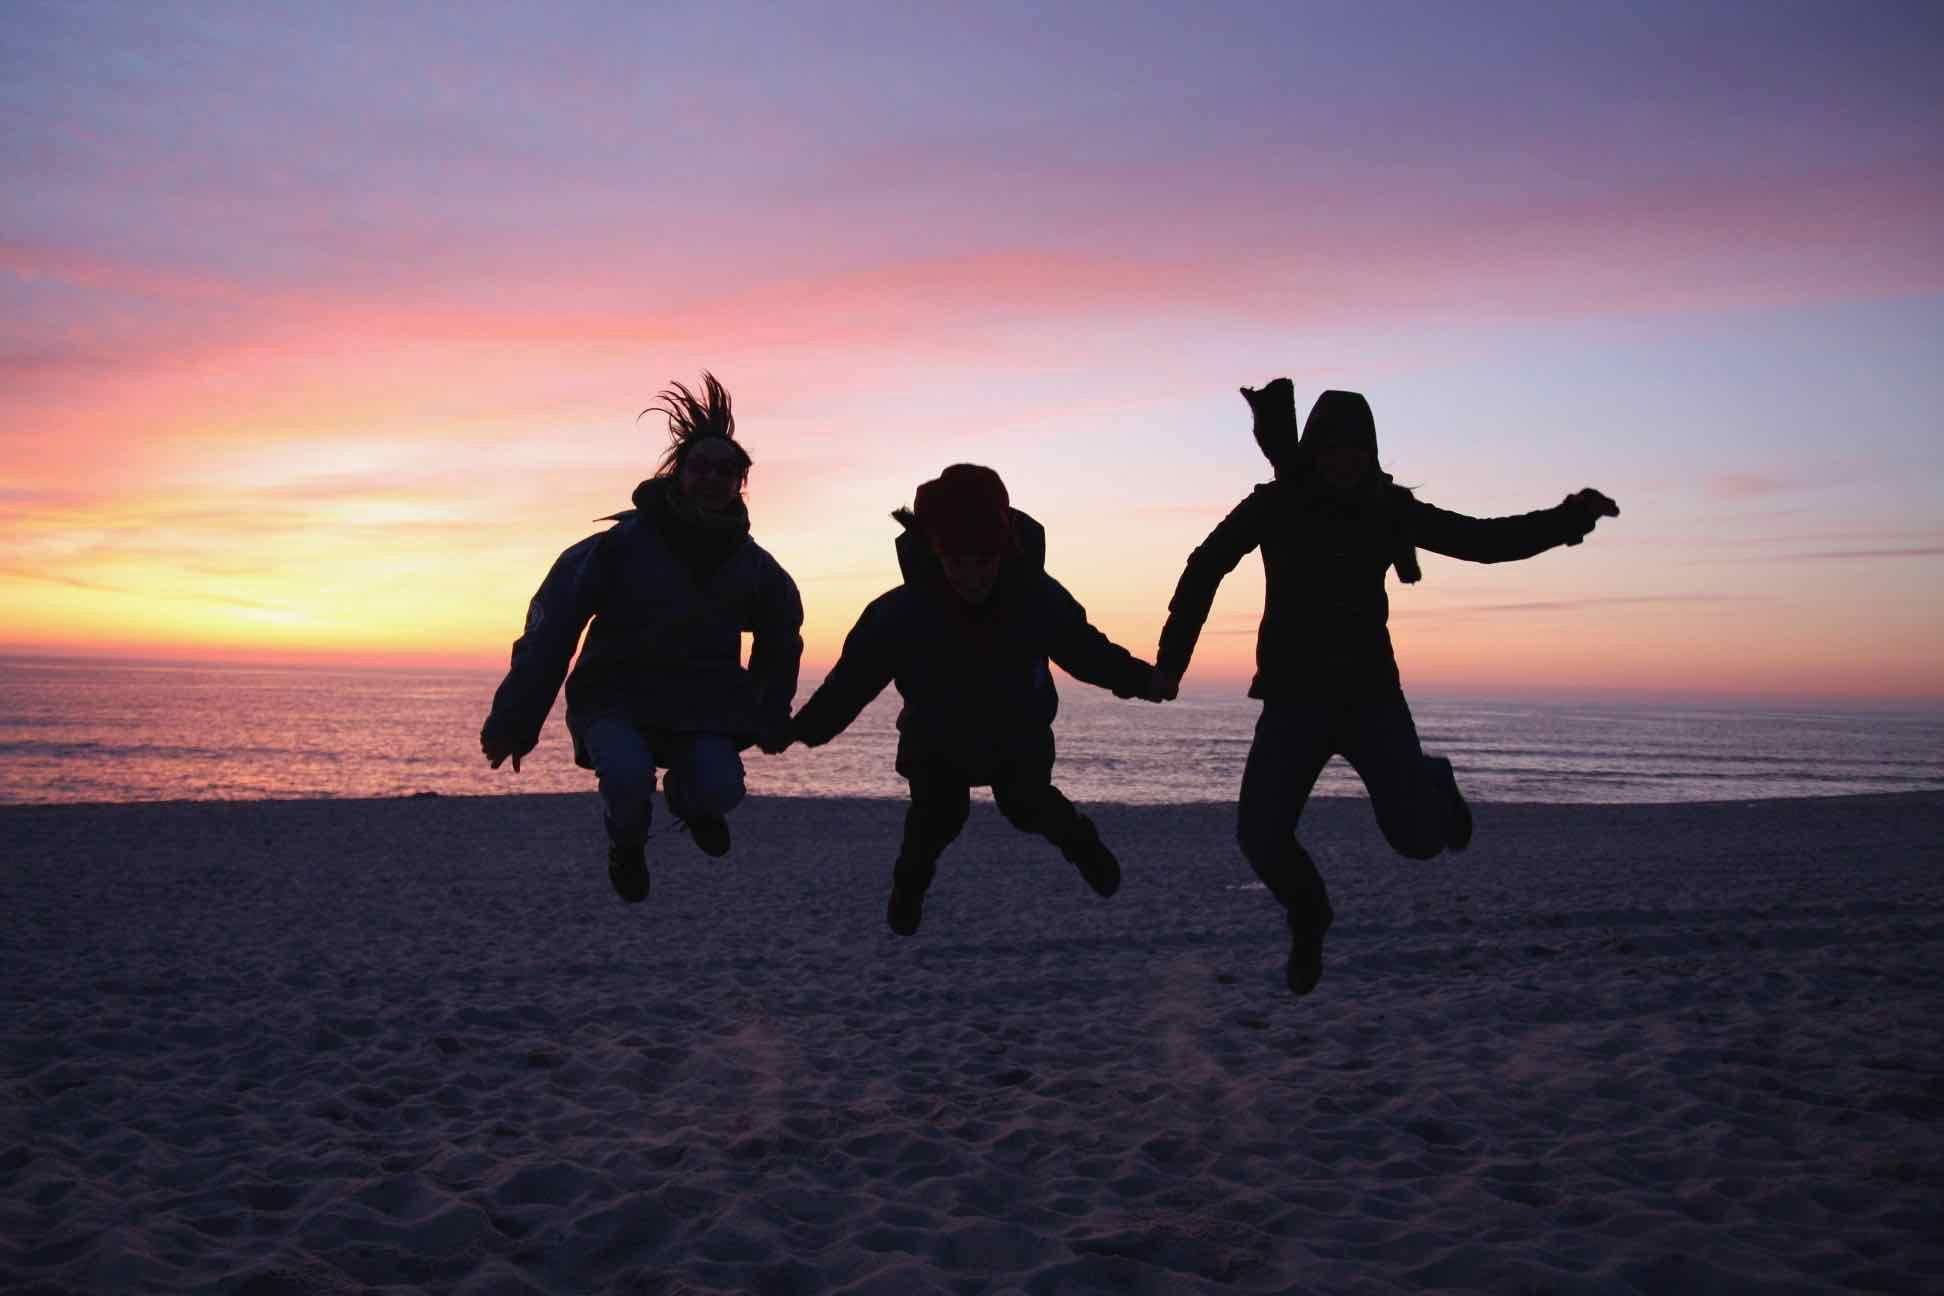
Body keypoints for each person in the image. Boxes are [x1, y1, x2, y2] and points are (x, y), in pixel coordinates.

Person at [1152, 380, 1618, 995]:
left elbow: (1483, 542)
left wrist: (1570, 517)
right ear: (1314, 449)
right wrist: (1171, 661)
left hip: (1371, 699)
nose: (1344, 461)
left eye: (1357, 449)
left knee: (1421, 843)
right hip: (1294, 701)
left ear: (1370, 453)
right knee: (1259, 836)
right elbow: (1205, 564)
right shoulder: (1276, 504)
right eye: (1333, 448)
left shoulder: (1389, 509)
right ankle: (1310, 914)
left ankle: (1436, 783)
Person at [776, 464, 1162, 935]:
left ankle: (1083, 846)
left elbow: (1087, 652)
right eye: (958, 562)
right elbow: (851, 682)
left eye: (984, 561)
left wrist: (1145, 680)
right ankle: (909, 886)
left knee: (1027, 804)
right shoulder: (901, 612)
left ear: (1003, 552)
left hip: (1018, 735)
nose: (972, 575)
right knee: (936, 818)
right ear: (936, 555)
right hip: (936, 739)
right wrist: (803, 729)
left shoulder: (1035, 597)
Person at [479, 373, 803, 904]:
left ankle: (694, 806)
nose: (714, 479)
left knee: (721, 787)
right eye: (702, 467)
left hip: (703, 707)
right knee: (628, 779)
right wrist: (515, 720)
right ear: (679, 474)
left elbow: (781, 637)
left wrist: (767, 712)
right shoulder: (617, 548)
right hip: (615, 700)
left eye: (729, 470)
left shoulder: (754, 568)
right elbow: (553, 628)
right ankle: (626, 847)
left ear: (741, 483)